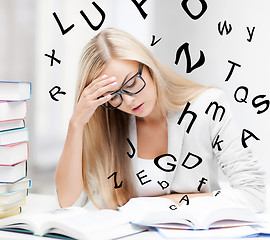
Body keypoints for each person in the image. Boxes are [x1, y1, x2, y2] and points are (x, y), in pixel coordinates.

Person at [54, 28, 265, 212]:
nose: (128, 100)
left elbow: (253, 195)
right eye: (113, 95)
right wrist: (77, 124)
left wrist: (171, 203)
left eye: (132, 84)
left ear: (149, 67)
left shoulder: (208, 105)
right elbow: (68, 202)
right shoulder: (110, 121)